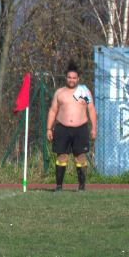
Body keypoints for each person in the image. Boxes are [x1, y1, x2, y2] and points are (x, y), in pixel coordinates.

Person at [48, 62, 97, 191]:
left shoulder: (84, 93)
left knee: (80, 156)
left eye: (74, 78)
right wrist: (49, 128)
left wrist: (94, 128)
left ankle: (81, 187)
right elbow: (53, 110)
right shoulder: (60, 93)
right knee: (61, 156)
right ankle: (58, 186)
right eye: (69, 77)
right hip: (62, 128)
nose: (71, 80)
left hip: (80, 128)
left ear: (78, 79)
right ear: (66, 78)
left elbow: (91, 109)